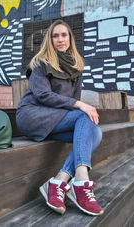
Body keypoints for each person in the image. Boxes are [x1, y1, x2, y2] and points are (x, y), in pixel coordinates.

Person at [16, 19, 103, 216]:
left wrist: (79, 106)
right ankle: (80, 181)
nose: (60, 39)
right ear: (50, 39)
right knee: (84, 115)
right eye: (55, 36)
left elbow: (73, 101)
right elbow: (43, 95)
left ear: (70, 39)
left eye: (64, 35)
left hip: (56, 118)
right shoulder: (40, 63)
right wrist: (81, 105)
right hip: (33, 114)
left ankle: (58, 182)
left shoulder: (76, 67)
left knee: (95, 133)